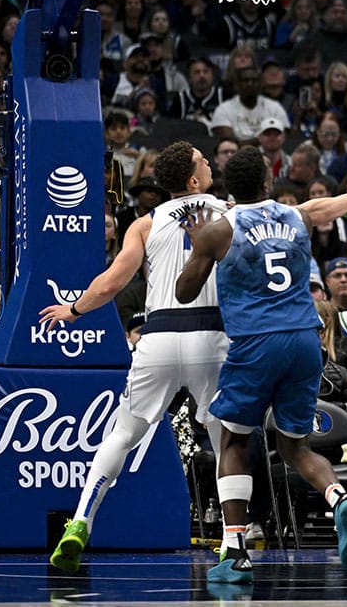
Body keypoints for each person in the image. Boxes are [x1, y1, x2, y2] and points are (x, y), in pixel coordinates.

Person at [173, 146, 347, 583]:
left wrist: (199, 245)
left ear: (229, 188)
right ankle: (340, 498)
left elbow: (184, 292)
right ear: (268, 182)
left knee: (234, 442)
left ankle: (235, 552)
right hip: (306, 340)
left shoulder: (220, 229)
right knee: (296, 447)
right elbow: (325, 206)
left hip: (256, 343)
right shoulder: (296, 217)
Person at [42, 142, 231, 572]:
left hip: (159, 334)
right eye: (203, 160)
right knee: (226, 441)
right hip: (211, 335)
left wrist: (73, 310)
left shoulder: (145, 223)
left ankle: (81, 520)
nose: (209, 162)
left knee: (122, 434)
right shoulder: (228, 212)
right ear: (193, 180)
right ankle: (231, 541)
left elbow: (111, 283)